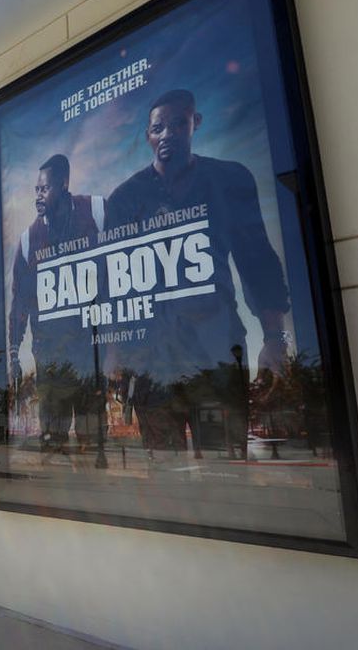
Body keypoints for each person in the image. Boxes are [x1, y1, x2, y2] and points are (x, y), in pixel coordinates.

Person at [102, 89, 290, 459]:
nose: (167, 134)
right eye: (158, 128)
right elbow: (114, 287)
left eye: (177, 123)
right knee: (167, 479)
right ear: (147, 136)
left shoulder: (228, 180)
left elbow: (258, 264)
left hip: (215, 353)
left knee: (227, 472)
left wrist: (275, 337)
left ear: (195, 122)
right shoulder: (125, 198)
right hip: (155, 364)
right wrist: (114, 354)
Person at [7, 154, 105, 458]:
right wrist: (12, 352)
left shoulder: (97, 211)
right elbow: (19, 304)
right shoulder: (28, 240)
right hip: (51, 360)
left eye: (44, 189)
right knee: (52, 445)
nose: (38, 195)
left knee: (94, 442)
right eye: (36, 189)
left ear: (64, 185)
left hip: (90, 354)